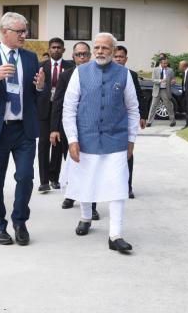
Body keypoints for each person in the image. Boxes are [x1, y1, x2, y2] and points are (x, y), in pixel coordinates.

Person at [0, 12, 46, 246]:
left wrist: (41, 87)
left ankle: (20, 222)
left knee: (25, 177)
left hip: (23, 129)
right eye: (19, 31)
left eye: (25, 31)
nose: (23, 35)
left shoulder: (30, 58)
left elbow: (36, 92)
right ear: (4, 32)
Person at [62, 32, 139, 252]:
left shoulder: (124, 74)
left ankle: (115, 234)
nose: (100, 51)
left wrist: (131, 139)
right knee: (86, 180)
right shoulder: (80, 72)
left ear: (113, 51)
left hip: (116, 139)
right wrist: (72, 139)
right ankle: (86, 217)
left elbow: (133, 109)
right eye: (96, 47)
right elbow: (69, 108)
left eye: (105, 48)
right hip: (86, 138)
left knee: (118, 185)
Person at [49, 42, 99, 217]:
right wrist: (54, 128)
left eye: (85, 54)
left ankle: (92, 206)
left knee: (91, 167)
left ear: (90, 56)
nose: (82, 58)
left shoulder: (97, 74)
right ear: (73, 57)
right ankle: (71, 195)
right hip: (69, 128)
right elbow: (58, 102)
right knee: (71, 163)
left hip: (91, 128)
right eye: (78, 54)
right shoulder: (66, 76)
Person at [37, 37, 75, 193]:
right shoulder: (40, 67)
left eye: (59, 47)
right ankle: (44, 181)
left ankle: (54, 177)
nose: (56, 50)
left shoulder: (70, 67)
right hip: (44, 109)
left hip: (62, 109)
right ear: (49, 49)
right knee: (43, 144)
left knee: (58, 144)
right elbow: (35, 88)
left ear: (63, 50)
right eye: (53, 47)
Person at [113, 45, 148, 198]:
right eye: (116, 56)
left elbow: (139, 96)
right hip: (109, 120)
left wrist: (143, 115)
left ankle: (127, 186)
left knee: (128, 152)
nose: (118, 59)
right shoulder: (105, 73)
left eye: (121, 57)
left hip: (126, 120)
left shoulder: (131, 75)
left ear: (126, 59)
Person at [147, 58, 175, 127]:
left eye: (166, 63)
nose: (166, 64)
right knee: (153, 106)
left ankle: (172, 121)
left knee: (168, 106)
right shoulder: (155, 69)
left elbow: (173, 79)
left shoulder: (170, 70)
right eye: (164, 63)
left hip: (165, 90)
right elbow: (153, 80)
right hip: (157, 90)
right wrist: (160, 80)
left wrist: (173, 82)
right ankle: (149, 122)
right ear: (160, 63)